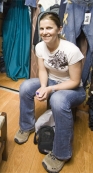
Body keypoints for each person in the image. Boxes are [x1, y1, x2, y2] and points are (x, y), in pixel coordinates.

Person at [14, 12, 86, 173]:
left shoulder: (71, 50)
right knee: (25, 87)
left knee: (58, 100)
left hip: (73, 89)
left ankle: (62, 153)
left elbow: (75, 81)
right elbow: (42, 71)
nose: (44, 32)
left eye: (49, 28)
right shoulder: (39, 46)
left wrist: (50, 89)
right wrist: (43, 86)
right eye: (41, 28)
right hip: (52, 81)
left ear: (59, 29)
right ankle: (26, 126)